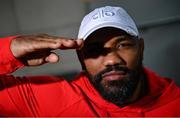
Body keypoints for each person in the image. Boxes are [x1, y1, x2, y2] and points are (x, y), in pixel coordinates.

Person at [0, 6, 179, 117]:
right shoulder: (55, 101)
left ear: (140, 47)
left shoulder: (175, 105)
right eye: (94, 50)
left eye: (122, 44)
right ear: (81, 58)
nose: (111, 60)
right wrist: (9, 49)